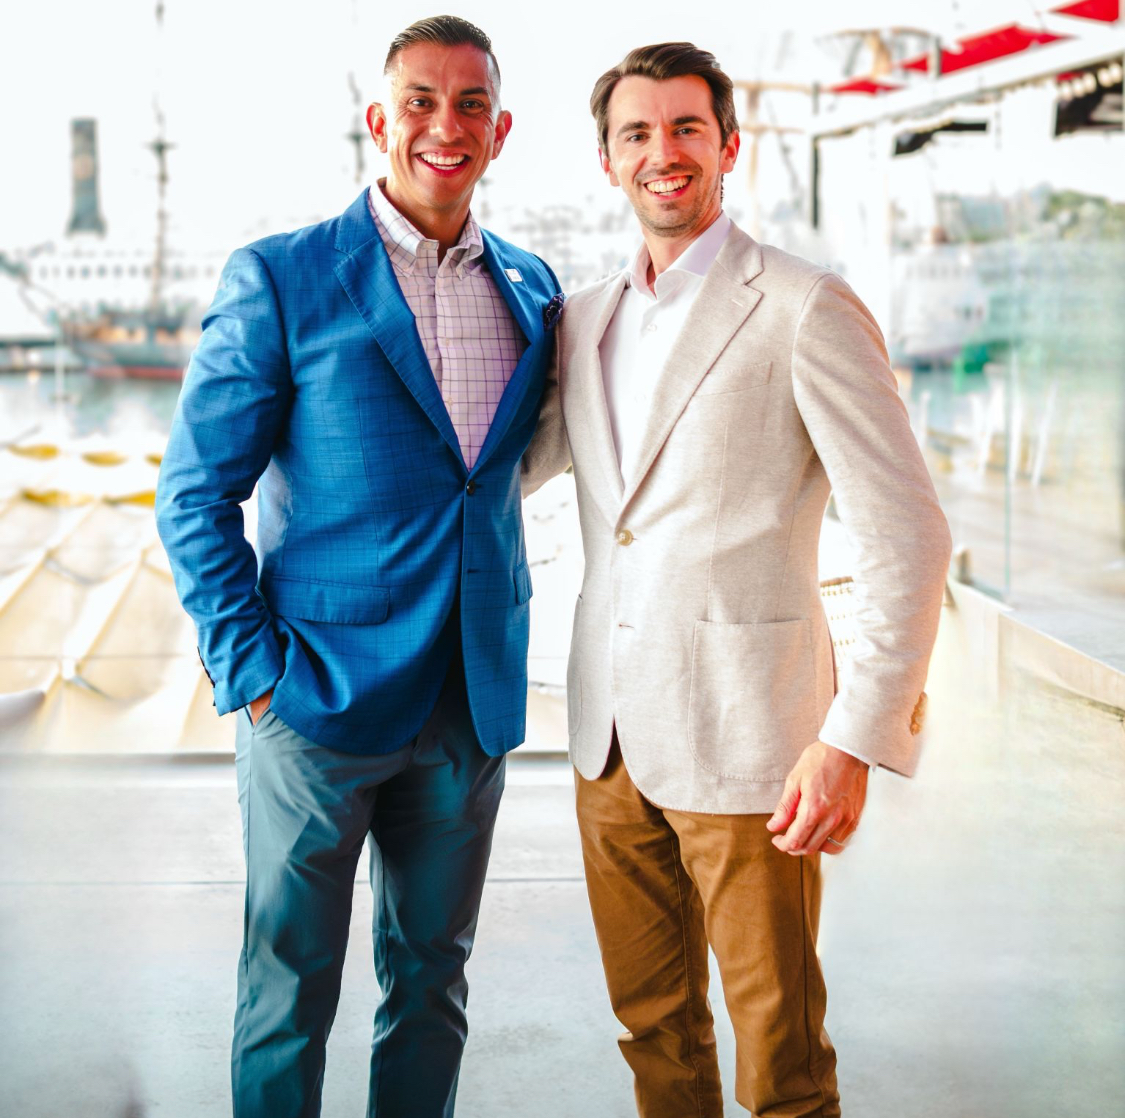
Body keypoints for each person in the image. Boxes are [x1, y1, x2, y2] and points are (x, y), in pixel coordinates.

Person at [522, 41, 952, 1118]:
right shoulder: (580, 319)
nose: (661, 152)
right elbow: (513, 467)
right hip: (607, 734)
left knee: (782, 1059)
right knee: (651, 1027)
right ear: (608, 160)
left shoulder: (806, 307)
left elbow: (909, 534)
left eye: (684, 128)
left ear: (727, 148)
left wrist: (853, 736)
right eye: (637, 133)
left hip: (756, 741)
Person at [155, 16, 560, 1118]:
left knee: (433, 983)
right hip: (314, 703)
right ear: (379, 123)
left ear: (500, 129)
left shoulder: (532, 290)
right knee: (288, 991)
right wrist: (253, 672)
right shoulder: (283, 277)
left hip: (466, 705)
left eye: (470, 103)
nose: (446, 124)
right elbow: (194, 494)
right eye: (420, 102)